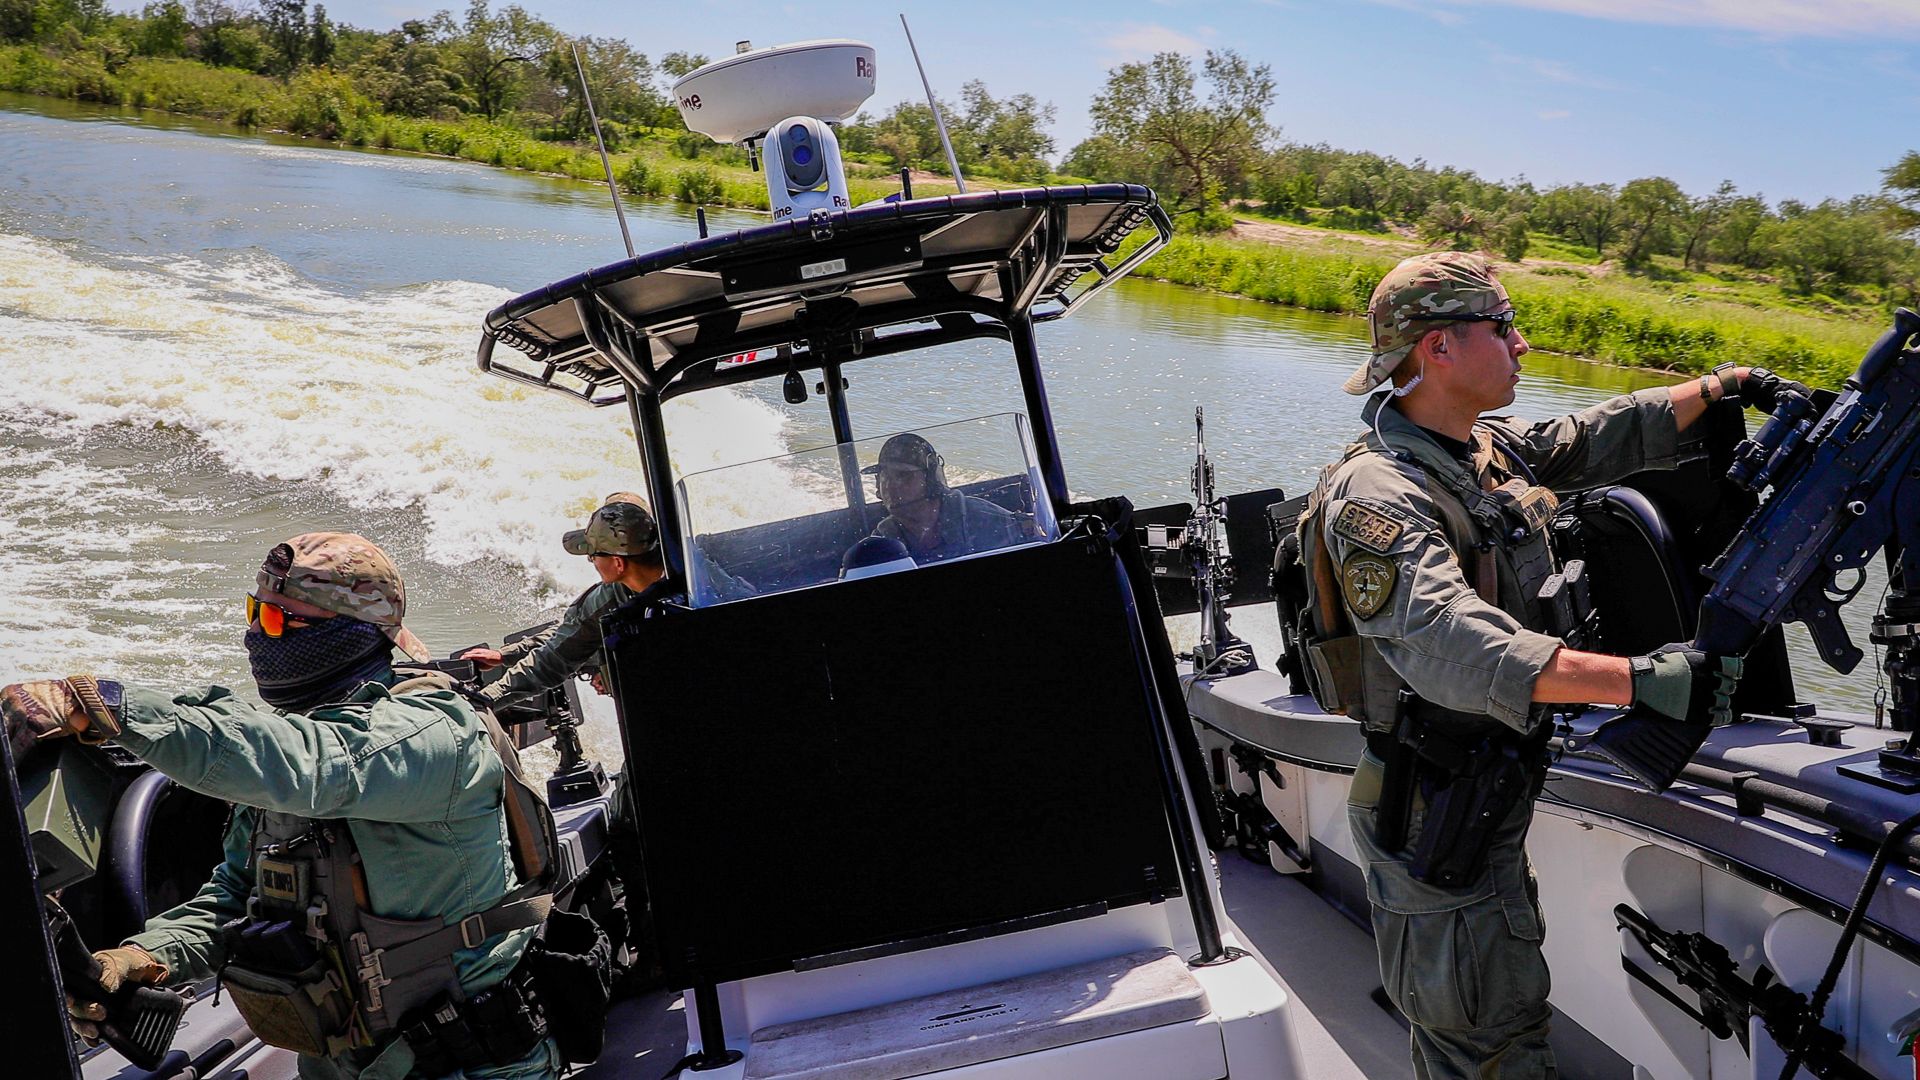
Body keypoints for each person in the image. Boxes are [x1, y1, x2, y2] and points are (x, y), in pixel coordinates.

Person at [1303, 251, 1767, 1079]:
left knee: (1500, 1013)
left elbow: (1593, 437)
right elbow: (1451, 642)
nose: (1521, 344)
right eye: (1503, 326)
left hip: (1478, 787)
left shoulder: (1480, 451)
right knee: (1485, 1046)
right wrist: (1641, 680)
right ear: (1439, 347)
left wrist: (1721, 386)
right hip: (1431, 808)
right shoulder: (1380, 493)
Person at [1, 532, 561, 1080]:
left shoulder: (432, 733)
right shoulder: (295, 742)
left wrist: (103, 706)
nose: (254, 634)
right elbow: (237, 898)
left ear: (350, 633)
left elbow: (315, 763)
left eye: (276, 620)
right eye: (254, 611)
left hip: (471, 1065)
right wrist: (138, 959)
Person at [464, 493, 665, 707]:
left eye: (593, 554)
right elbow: (564, 644)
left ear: (618, 563)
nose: (590, 560)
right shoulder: (615, 595)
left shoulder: (684, 579)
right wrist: (485, 697)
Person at [863, 432, 1030, 564]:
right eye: (884, 477)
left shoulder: (987, 521)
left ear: (930, 479)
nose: (890, 486)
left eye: (903, 476)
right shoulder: (881, 540)